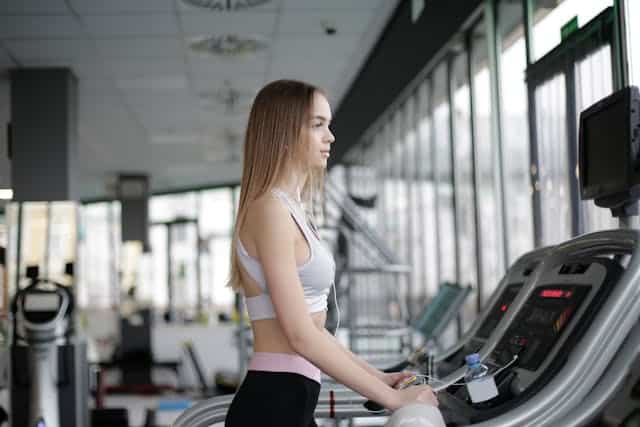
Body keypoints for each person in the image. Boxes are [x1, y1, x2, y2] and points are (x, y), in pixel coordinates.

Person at [224, 80, 439, 427]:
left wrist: (380, 378)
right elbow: (299, 334)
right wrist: (393, 399)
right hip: (273, 402)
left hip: (294, 397)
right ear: (284, 132)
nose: (331, 137)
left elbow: (315, 329)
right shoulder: (269, 210)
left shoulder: (291, 208)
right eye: (317, 125)